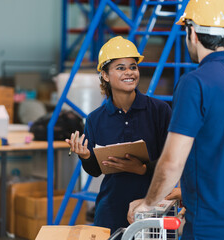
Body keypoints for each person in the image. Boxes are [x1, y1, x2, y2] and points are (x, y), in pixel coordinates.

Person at [128, 0, 224, 239]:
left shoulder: (195, 83)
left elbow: (171, 162)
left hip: (210, 227)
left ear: (192, 32)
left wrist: (148, 204)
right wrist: (186, 193)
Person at [65, 36, 172, 234]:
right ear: (105, 75)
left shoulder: (159, 111)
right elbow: (96, 171)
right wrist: (86, 156)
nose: (129, 72)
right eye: (120, 68)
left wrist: (142, 168)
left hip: (151, 207)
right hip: (111, 209)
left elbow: (171, 161)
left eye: (133, 67)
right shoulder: (95, 119)